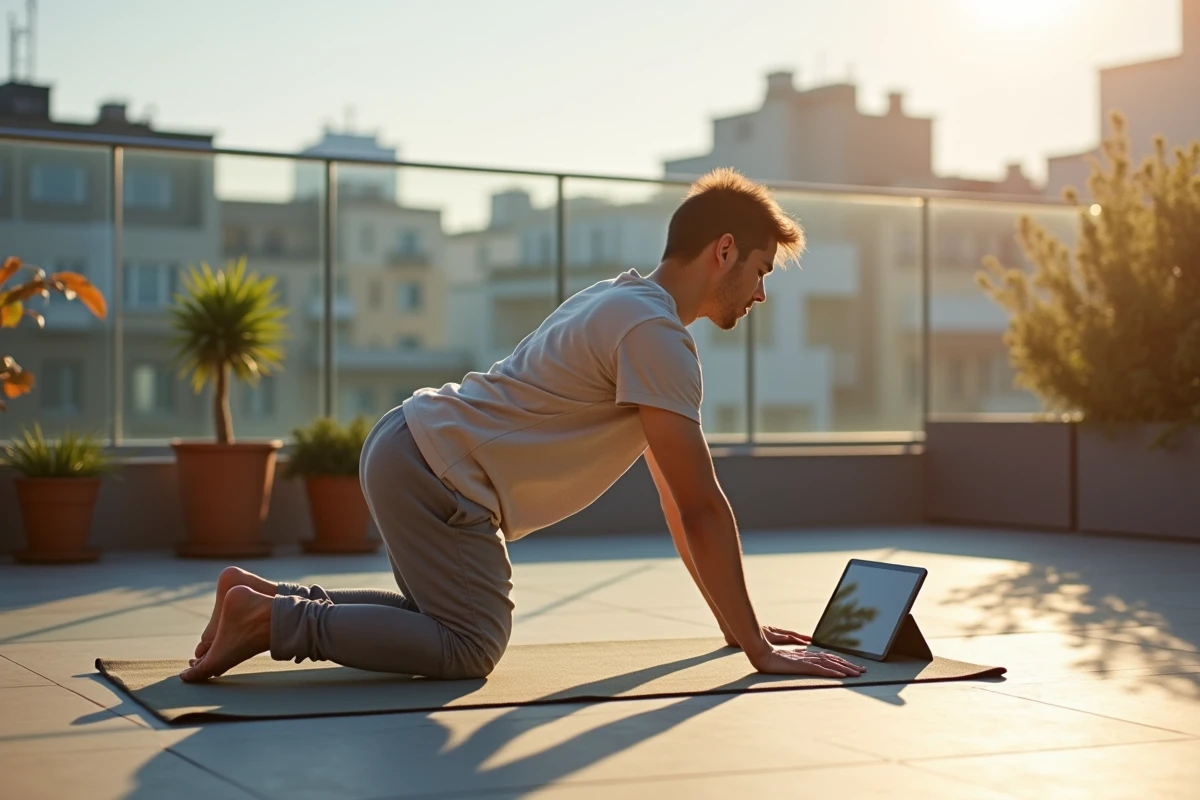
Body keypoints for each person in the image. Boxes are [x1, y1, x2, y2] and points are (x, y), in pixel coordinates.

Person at [181, 168, 866, 683]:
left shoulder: (622, 298)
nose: (760, 293)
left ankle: (265, 600)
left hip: (409, 446)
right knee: (469, 645)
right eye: (759, 270)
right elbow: (700, 506)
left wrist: (735, 624)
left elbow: (675, 501)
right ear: (723, 250)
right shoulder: (655, 335)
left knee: (438, 624)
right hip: (438, 475)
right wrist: (758, 648)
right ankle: (270, 621)